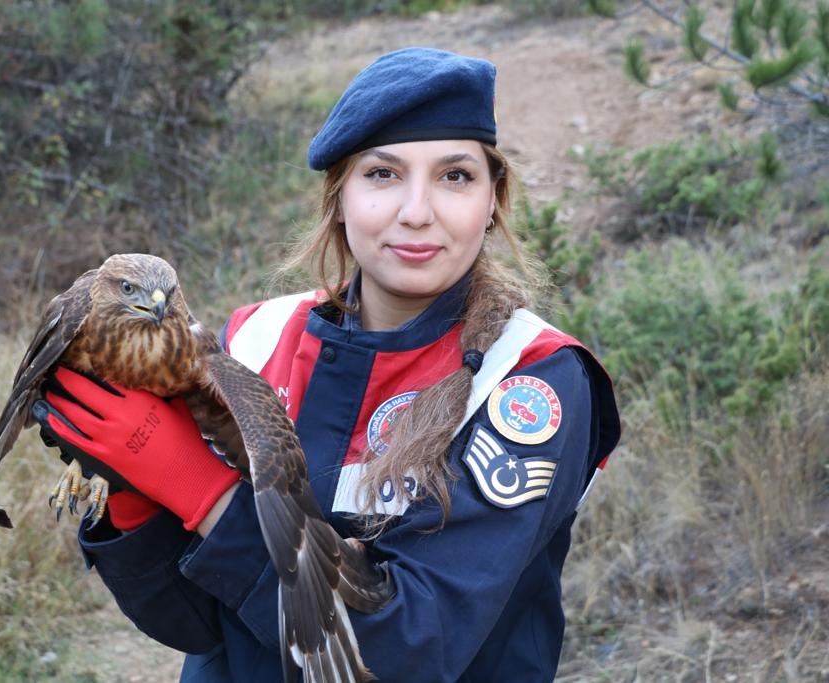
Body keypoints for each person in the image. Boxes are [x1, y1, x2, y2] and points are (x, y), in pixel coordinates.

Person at [34, 47, 620, 683]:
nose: (417, 210)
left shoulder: (529, 381)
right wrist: (133, 498)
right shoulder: (254, 338)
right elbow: (196, 625)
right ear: (339, 198)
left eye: (455, 176)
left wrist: (205, 495)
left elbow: (416, 649)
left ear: (492, 198)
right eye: (382, 175)